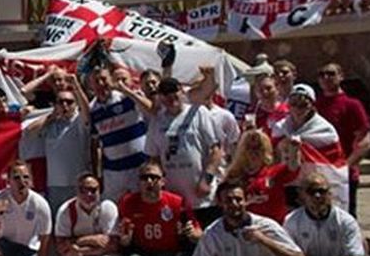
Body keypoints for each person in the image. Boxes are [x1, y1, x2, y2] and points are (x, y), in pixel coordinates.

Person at [118, 162, 201, 256]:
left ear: (163, 181)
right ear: (139, 182)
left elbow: (198, 232)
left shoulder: (177, 202)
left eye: (154, 177)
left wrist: (193, 234)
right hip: (143, 254)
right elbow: (123, 237)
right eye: (145, 178)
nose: (149, 181)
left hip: (171, 254)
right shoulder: (128, 202)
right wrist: (125, 240)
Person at [144, 78, 222, 223]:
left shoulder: (198, 112)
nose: (171, 97)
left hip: (202, 198)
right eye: (165, 94)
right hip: (175, 201)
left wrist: (206, 179)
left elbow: (216, 150)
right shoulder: (156, 121)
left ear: (181, 91)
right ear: (160, 97)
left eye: (174, 92)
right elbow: (153, 158)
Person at [47, 173, 122, 256]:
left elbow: (113, 245)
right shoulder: (66, 210)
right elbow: (62, 247)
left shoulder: (107, 207)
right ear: (77, 191)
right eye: (83, 190)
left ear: (100, 190)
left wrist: (79, 249)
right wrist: (91, 239)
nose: (88, 195)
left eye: (93, 190)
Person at [24, 75, 91, 213]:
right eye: (61, 102)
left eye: (69, 102)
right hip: (55, 186)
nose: (65, 105)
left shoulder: (79, 121)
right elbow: (29, 131)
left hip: (78, 184)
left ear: (75, 104)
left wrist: (76, 86)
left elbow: (87, 111)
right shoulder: (50, 123)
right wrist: (52, 115)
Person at [270, 84, 345, 207]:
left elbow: (333, 160)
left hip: (314, 186)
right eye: (294, 104)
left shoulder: (324, 129)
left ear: (311, 106)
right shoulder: (280, 127)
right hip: (287, 183)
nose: (298, 109)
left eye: (303, 105)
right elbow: (273, 155)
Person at [315, 63, 370, 218]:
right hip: (318, 172)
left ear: (341, 76)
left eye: (331, 74)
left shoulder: (352, 105)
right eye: (322, 74)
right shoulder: (314, 105)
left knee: (346, 220)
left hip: (343, 174)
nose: (326, 78)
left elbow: (365, 141)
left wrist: (346, 166)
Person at [89, 67, 148, 202]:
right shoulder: (92, 110)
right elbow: (95, 145)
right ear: (91, 86)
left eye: (104, 79)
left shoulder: (128, 97)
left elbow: (150, 109)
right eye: (96, 81)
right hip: (114, 173)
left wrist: (127, 91)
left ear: (111, 79)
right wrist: (97, 175)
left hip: (139, 167)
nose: (101, 84)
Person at [223, 130, 301, 225]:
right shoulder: (235, 176)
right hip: (246, 227)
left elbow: (293, 168)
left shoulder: (274, 172)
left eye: (258, 147)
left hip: (274, 226)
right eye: (249, 148)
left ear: (265, 150)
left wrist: (294, 150)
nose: (253, 152)